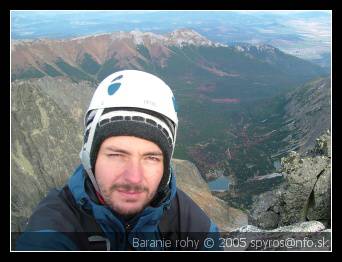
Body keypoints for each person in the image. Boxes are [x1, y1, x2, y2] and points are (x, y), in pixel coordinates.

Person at [16, 70, 222, 251]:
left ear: (165, 167)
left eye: (151, 158)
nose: (133, 178)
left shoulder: (181, 215)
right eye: (116, 155)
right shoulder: (55, 226)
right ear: (91, 157)